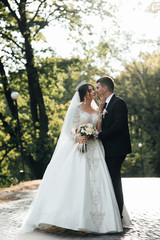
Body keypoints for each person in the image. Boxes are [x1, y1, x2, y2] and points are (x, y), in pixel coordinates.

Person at [21, 81, 129, 234]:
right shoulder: (76, 108)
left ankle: (104, 220)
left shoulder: (97, 108)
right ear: (84, 93)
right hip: (81, 147)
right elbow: (70, 127)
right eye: (91, 90)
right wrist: (78, 136)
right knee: (79, 181)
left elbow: (99, 129)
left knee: (100, 182)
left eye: (94, 89)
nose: (93, 92)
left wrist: (97, 123)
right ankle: (72, 217)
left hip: (95, 149)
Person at [96, 76, 132, 219]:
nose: (97, 91)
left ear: (105, 88)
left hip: (117, 149)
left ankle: (118, 215)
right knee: (111, 180)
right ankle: (114, 214)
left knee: (114, 180)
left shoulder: (119, 103)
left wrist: (100, 135)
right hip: (108, 149)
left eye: (98, 87)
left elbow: (118, 126)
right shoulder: (104, 105)